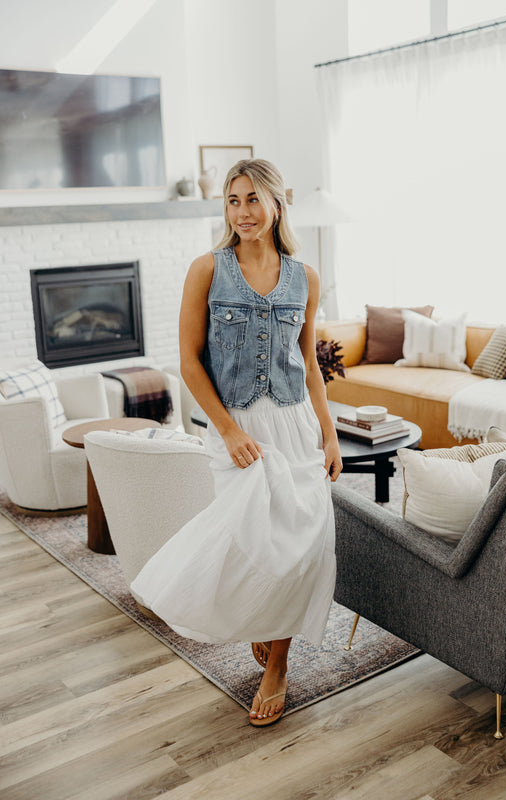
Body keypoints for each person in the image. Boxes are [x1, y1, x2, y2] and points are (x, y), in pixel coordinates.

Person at [130, 158, 342, 727]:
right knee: (253, 540)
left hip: (295, 423)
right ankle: (258, 624)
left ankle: (278, 662)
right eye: (233, 200)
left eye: (253, 200)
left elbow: (308, 363)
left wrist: (330, 436)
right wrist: (227, 432)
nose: (243, 212)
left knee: (299, 545)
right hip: (238, 427)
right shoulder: (207, 270)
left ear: (275, 204)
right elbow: (189, 363)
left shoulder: (305, 277)